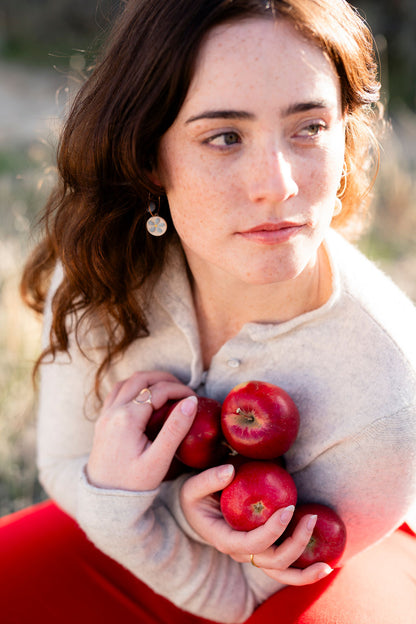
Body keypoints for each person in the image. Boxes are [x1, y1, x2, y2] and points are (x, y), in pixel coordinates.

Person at [2, 0, 416, 622]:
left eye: (309, 127)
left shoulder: (390, 390)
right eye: (225, 136)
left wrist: (133, 516)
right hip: (127, 542)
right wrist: (119, 502)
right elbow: (64, 461)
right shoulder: (103, 267)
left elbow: (242, 599)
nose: (276, 184)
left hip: (320, 587)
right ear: (148, 155)